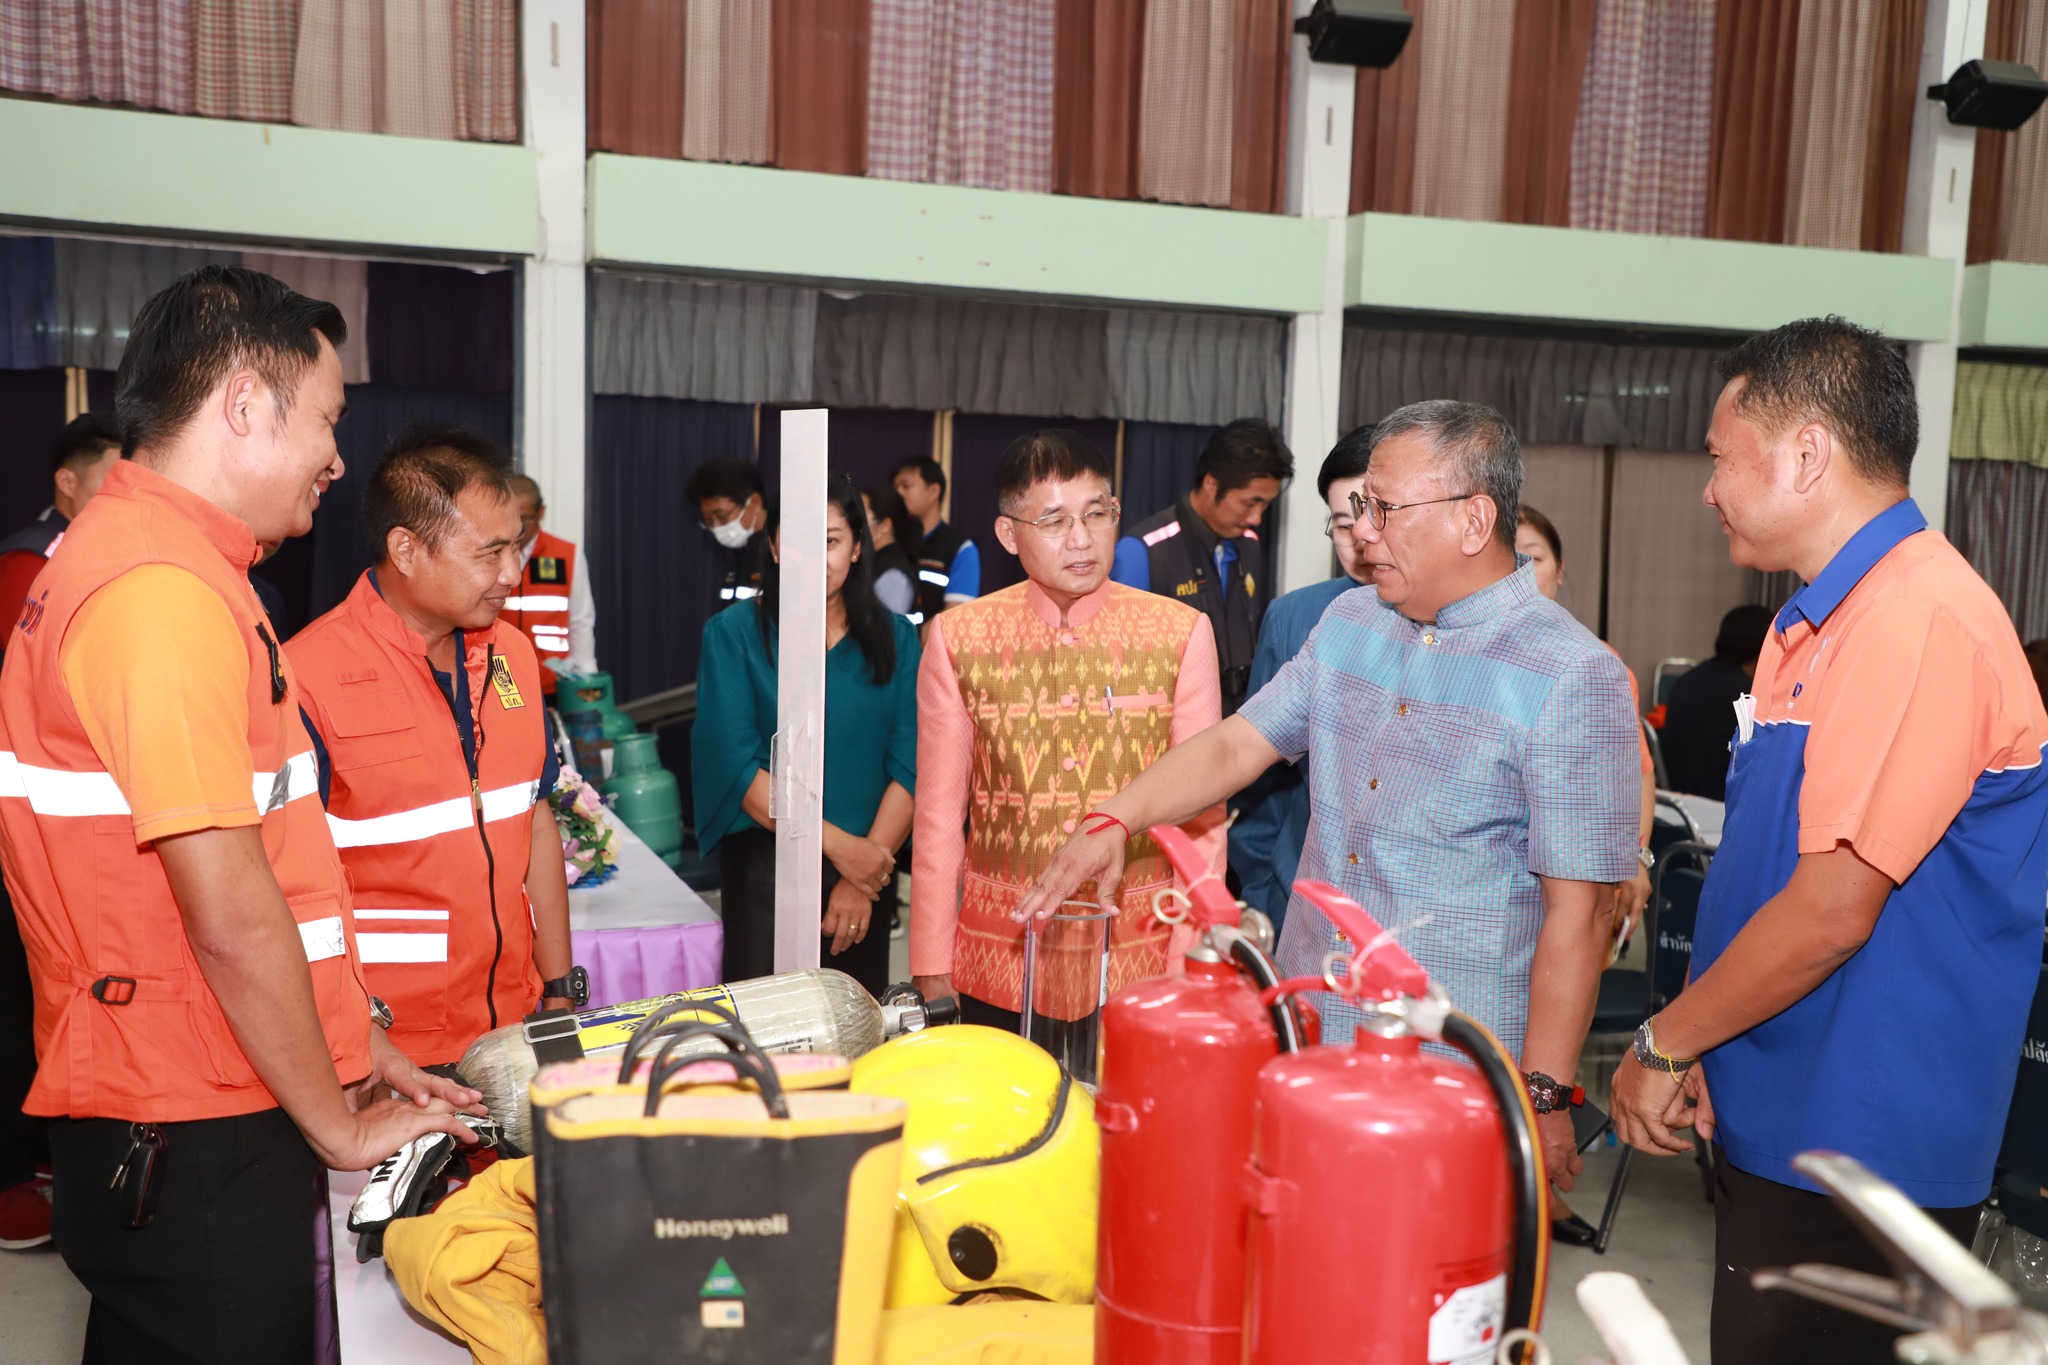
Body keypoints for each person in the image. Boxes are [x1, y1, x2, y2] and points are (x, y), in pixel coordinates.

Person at [0, 265, 477, 1361]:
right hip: (194, 1108)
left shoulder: (174, 571)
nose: (337, 457)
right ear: (246, 407)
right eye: (327, 419)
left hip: (197, 1082)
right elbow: (225, 900)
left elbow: (277, 861)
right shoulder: (156, 597)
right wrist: (335, 1121)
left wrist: (352, 1038)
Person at [1020, 401, 1640, 1200]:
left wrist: (1547, 1093)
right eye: (1357, 510)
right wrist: (1117, 816)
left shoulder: (1571, 674)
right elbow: (1241, 742)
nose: (1362, 532)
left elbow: (1579, 914)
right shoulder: (1352, 621)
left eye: (1383, 509)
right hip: (1311, 1032)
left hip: (1448, 1070)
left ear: (1473, 519)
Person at [1604, 318, 2048, 1364]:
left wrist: (1663, 1036)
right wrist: (1715, 1036)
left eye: (1719, 459)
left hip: (1863, 1138)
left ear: (1805, 452)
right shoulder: (1806, 626)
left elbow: (1831, 909)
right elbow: (1767, 874)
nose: (1707, 490)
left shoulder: (1916, 620)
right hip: (1781, 1101)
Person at [911, 429, 1225, 1030]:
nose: (1081, 540)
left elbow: (1202, 815)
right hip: (998, 950)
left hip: (1141, 950)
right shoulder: (960, 638)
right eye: (1053, 521)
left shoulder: (1180, 632)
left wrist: (1190, 952)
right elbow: (938, 814)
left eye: (1096, 514)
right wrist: (930, 956)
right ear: (1009, 533)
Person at [289, 426, 578, 1068]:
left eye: (518, 546)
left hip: (515, 1025)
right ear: (408, 550)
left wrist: (558, 990)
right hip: (387, 1047)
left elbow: (533, 818)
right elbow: (288, 885)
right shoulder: (309, 678)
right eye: (490, 552)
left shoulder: (513, 656)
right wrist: (349, 1042)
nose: (513, 572)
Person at [692, 474, 918, 997]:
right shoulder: (732, 634)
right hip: (769, 872)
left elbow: (912, 762)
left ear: (858, 546)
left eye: (831, 540)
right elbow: (736, 767)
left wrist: (862, 875)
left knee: (853, 1034)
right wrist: (846, 853)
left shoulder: (898, 640)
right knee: (768, 1040)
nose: (815, 557)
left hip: (867, 873)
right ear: (773, 546)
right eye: (796, 541)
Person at [0, 417, 126, 1249]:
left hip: (75, 821)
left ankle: (43, 1149)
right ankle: (13, 1172)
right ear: (67, 483)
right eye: (109, 480)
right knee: (21, 993)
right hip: (33, 818)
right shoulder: (30, 565)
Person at [1229, 426, 1373, 932]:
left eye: (1372, 516)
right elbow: (1261, 778)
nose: (1358, 540)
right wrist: (1260, 891)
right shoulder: (1294, 616)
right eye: (1340, 524)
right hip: (1295, 900)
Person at [1514, 505, 1657, 939]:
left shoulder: (1600, 664)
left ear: (1560, 572)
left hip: (1582, 881)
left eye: (1534, 558)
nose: (1522, 572)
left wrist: (1637, 856)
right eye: (1510, 560)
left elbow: (1637, 773)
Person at [1112, 419, 1293, 714]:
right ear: (1211, 484)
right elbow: (1119, 666)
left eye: (1266, 505)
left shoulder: (1248, 543)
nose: (1257, 518)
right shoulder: (1142, 551)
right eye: (1250, 503)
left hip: (1237, 728)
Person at [0, 412, 123, 629]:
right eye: (113, 479)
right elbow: (25, 656)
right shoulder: (29, 559)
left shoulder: (119, 547)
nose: (124, 491)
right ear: (67, 482)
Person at [1657, 604, 1773, 800]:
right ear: (1763, 648)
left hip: (1675, 802)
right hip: (1713, 805)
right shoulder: (1746, 695)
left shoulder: (1689, 678)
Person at [501, 472, 597, 695]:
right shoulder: (487, 554)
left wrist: (587, 680)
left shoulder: (566, 555)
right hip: (500, 681)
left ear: (541, 512)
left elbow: (581, 621)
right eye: (511, 517)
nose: (519, 526)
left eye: (526, 518)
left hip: (555, 685)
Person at [892, 456, 979, 620]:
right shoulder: (890, 540)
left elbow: (955, 615)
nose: (898, 493)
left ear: (933, 491)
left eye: (906, 486)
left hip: (928, 643)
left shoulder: (960, 548)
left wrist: (910, 641)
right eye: (895, 486)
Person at [687, 456, 771, 608]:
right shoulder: (740, 555)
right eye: (709, 521)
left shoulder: (777, 553)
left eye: (721, 516)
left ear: (754, 503)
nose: (717, 527)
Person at [862, 484, 923, 622]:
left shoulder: (894, 575)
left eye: (862, 514)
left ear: (885, 525)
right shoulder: (869, 560)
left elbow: (885, 633)